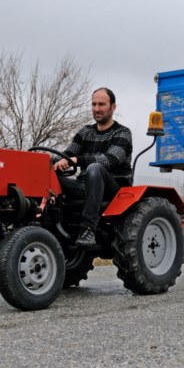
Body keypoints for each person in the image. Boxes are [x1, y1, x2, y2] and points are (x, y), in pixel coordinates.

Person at [53, 87, 133, 248]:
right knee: (50, 177)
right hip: (85, 186)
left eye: (101, 104)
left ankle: (88, 229)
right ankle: (48, 226)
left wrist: (77, 160)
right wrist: (53, 161)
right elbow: (68, 153)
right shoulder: (85, 132)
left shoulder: (122, 133)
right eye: (94, 104)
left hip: (113, 189)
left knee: (95, 168)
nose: (97, 109)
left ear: (113, 107)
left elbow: (110, 160)